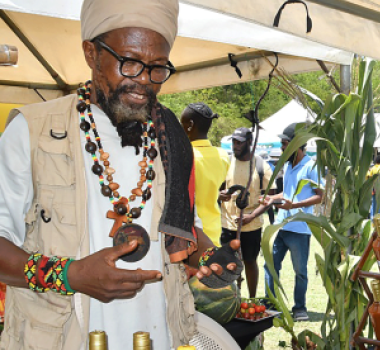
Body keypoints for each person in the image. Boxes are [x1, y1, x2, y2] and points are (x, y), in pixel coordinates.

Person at [0, 0, 239, 348]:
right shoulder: (31, 131)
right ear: (91, 53)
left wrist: (210, 258)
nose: (143, 80)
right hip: (60, 337)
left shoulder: (171, 137)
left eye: (157, 68)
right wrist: (69, 275)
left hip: (157, 336)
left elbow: (185, 233)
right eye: (129, 63)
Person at [262, 123, 323, 322]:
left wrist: (294, 205)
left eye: (284, 144)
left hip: (299, 228)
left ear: (297, 145)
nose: (281, 148)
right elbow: (287, 193)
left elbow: (320, 196)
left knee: (300, 272)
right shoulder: (288, 165)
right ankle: (271, 304)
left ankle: (299, 308)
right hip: (280, 226)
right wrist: (271, 198)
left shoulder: (312, 166)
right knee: (270, 266)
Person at [219, 127, 274, 298]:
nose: (235, 146)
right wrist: (221, 195)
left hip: (252, 226)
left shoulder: (260, 166)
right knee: (229, 263)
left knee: (250, 262)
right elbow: (219, 189)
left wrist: (252, 216)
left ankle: (251, 299)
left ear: (250, 143)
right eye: (234, 142)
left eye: (239, 143)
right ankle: (231, 299)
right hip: (228, 223)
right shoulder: (227, 162)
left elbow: (269, 199)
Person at [181, 102, 230, 246]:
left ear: (190, 125)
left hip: (192, 234)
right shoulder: (223, 155)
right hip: (213, 230)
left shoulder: (184, 156)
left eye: (181, 123)